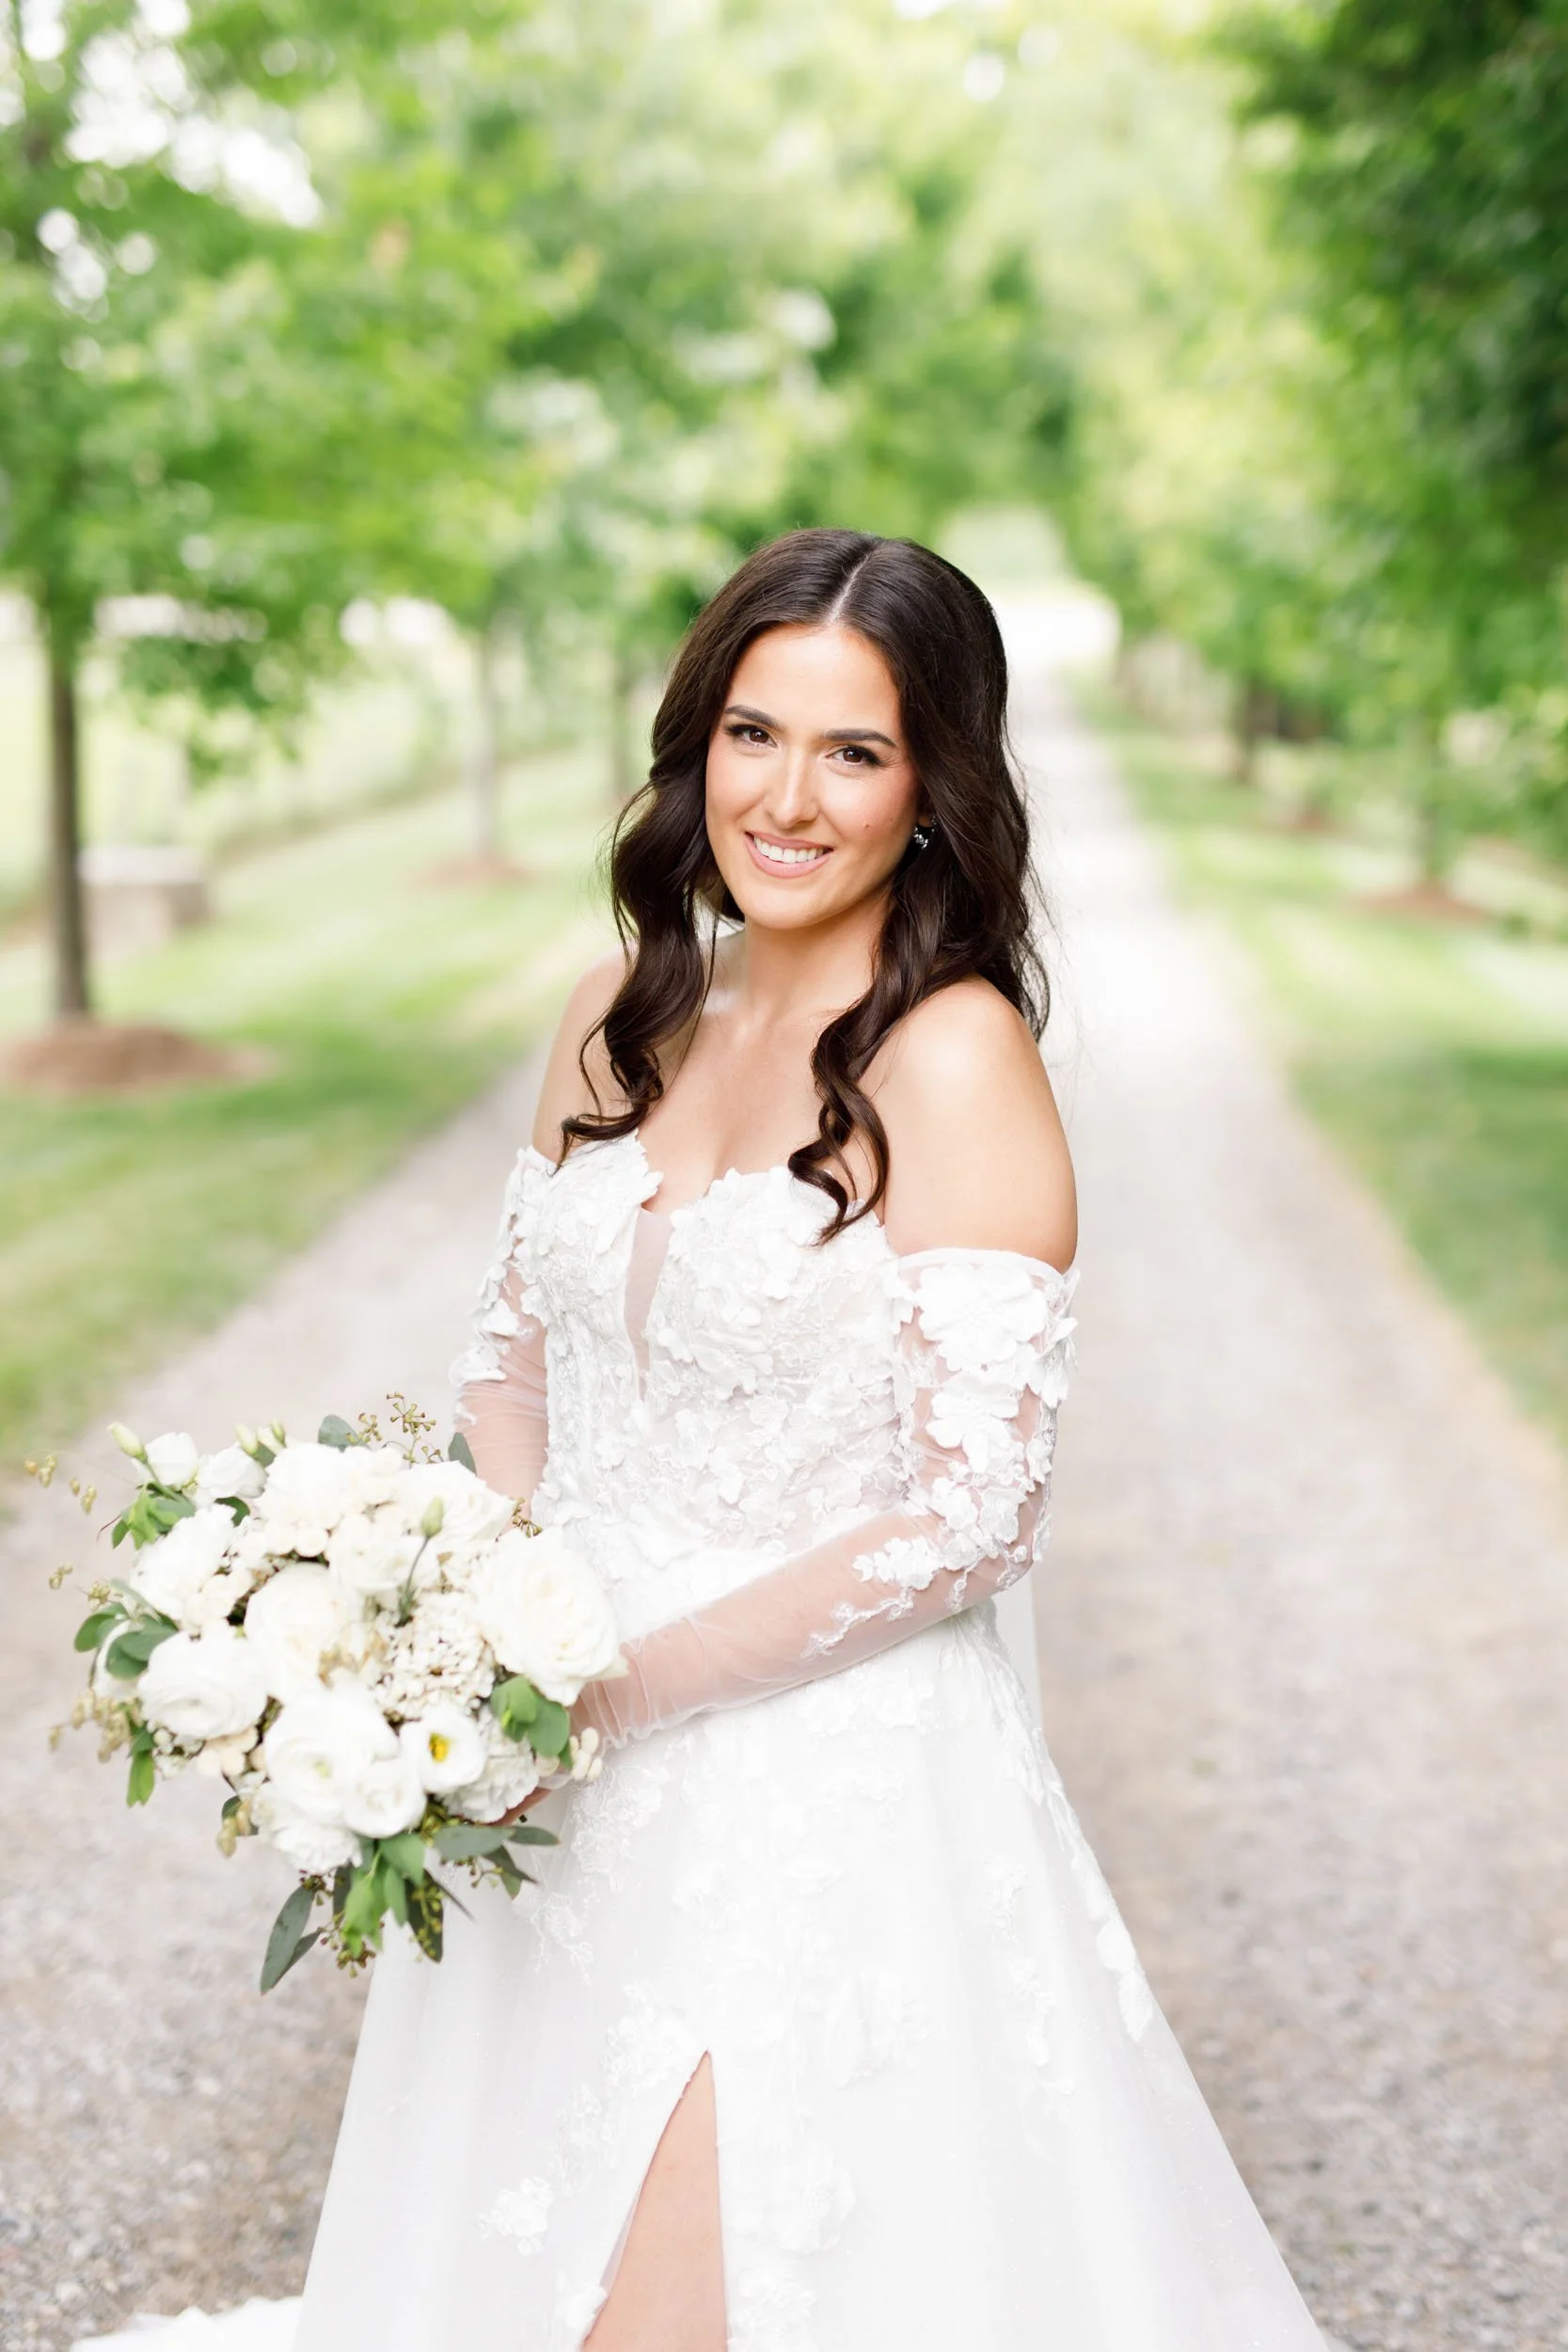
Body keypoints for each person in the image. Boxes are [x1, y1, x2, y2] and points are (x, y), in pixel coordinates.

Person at [86, 530, 1327, 2351]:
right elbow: (511, 1365)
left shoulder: (955, 1056)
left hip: (817, 1776)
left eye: (854, 751)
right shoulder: (616, 1014)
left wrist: (611, 1688)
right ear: (693, 746)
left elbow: (968, 1516)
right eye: (754, 733)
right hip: (549, 1760)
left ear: (933, 788)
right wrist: (465, 1631)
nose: (790, 797)